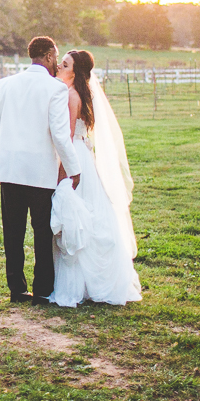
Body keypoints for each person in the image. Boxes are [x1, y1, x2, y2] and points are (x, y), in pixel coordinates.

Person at [0, 36, 84, 306]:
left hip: (9, 170)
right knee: (43, 231)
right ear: (51, 56)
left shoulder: (5, 84)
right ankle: (42, 291)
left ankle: (16, 289)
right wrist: (74, 169)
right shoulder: (55, 88)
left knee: (12, 232)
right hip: (41, 171)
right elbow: (60, 135)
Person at [49, 50, 142, 307]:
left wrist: (60, 172)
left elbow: (66, 136)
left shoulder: (70, 95)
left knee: (75, 217)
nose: (58, 66)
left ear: (74, 72)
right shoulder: (84, 94)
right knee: (91, 213)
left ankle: (79, 284)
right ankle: (99, 281)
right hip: (85, 157)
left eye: (64, 64)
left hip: (73, 157)